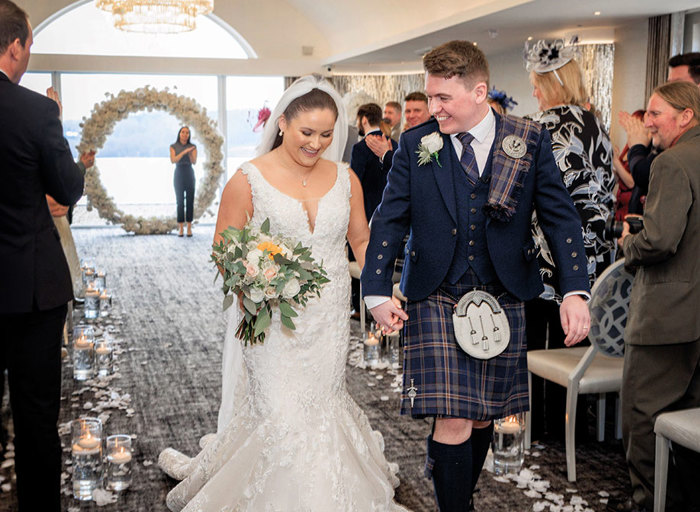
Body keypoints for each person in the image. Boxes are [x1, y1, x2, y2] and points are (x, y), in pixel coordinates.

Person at [158, 75, 408, 512]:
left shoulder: (346, 178)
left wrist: (378, 294)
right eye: (306, 133)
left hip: (327, 317)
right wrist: (252, 285)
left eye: (327, 134)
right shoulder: (248, 179)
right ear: (282, 125)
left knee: (321, 404)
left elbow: (362, 243)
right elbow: (225, 250)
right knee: (277, 409)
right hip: (271, 317)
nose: (316, 143)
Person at [361, 40, 591, 511]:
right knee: (453, 418)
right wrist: (376, 291)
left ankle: (455, 487)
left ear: (480, 91)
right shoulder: (415, 143)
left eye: (444, 99)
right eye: (430, 98)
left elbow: (561, 218)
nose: (434, 109)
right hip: (436, 292)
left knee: (484, 415)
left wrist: (574, 291)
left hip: (503, 292)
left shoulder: (526, 139)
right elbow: (388, 219)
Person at [0, 1, 85, 510]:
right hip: (30, 288)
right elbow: (68, 186)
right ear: (16, 46)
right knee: (35, 419)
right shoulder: (34, 110)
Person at [523, 38, 616, 439]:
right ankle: (572, 424)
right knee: (575, 339)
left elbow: (526, 198)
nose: (533, 91)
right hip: (595, 259)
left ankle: (539, 425)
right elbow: (606, 191)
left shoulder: (536, 128)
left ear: (548, 84)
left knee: (538, 343)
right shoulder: (599, 126)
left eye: (535, 83)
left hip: (547, 254)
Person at [616, 81, 700, 512]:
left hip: (668, 317)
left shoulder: (672, 163)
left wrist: (630, 241)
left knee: (643, 420)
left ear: (685, 117)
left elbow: (660, 242)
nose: (646, 122)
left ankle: (650, 503)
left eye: (655, 113)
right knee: (688, 423)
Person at [351, 102, 398, 223]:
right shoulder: (394, 144)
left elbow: (355, 181)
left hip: (366, 209)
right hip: (390, 208)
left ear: (364, 120)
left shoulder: (360, 147)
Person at [170, 126, 197, 237]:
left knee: (190, 201)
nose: (185, 134)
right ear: (179, 133)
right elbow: (173, 160)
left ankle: (189, 228)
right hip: (178, 174)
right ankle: (180, 228)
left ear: (189, 135)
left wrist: (190, 152)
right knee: (180, 202)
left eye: (187, 133)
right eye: (183, 132)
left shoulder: (193, 147)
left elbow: (194, 161)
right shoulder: (173, 146)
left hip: (189, 173)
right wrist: (184, 151)